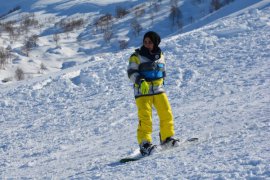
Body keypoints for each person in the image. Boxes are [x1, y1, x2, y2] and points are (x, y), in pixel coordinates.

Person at [127, 31, 179, 156]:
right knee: (145, 118)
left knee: (166, 113)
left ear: (155, 42)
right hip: (143, 91)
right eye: (145, 42)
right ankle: (145, 144)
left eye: (150, 42)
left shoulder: (160, 55)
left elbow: (162, 70)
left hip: (158, 89)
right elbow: (131, 71)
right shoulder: (136, 56)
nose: (147, 44)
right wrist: (140, 80)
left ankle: (167, 138)